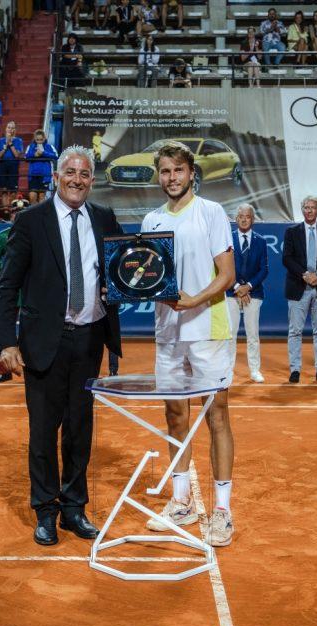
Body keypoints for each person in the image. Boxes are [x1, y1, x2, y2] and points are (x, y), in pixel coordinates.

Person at [0, 145, 123, 547]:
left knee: (80, 431)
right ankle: (45, 510)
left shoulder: (104, 218)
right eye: (70, 171)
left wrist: (114, 288)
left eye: (85, 174)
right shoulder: (31, 221)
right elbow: (8, 285)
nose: (77, 180)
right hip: (43, 343)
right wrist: (6, 342)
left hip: (89, 339)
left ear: (92, 180)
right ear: (56, 175)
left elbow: (118, 275)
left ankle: (73, 508)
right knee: (43, 433)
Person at [139, 141, 237, 546]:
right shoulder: (151, 220)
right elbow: (146, 275)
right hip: (168, 330)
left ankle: (222, 511)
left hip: (209, 326)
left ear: (191, 172)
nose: (172, 178)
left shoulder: (211, 212)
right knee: (175, 416)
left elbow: (227, 275)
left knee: (216, 416)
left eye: (178, 170)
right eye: (165, 171)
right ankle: (181, 501)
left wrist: (194, 301)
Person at [282, 195, 317, 384]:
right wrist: (305, 274)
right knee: (295, 331)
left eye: (313, 207)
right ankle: (295, 369)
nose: (309, 210)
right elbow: (287, 258)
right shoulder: (291, 232)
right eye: (306, 207)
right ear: (302, 209)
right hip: (298, 286)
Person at [227, 203, 268, 383]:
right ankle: (228, 370)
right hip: (231, 292)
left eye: (248, 216)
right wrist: (237, 287)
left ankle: (254, 370)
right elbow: (224, 267)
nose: (244, 219)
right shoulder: (227, 239)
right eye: (241, 216)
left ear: (253, 219)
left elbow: (264, 269)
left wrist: (248, 287)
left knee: (252, 334)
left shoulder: (261, 241)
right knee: (230, 333)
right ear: (236, 219)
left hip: (254, 293)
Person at [0, 121, 23, 217]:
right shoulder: (1, 141)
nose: (10, 130)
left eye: (12, 128)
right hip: (3, 165)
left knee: (12, 190)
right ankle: (6, 211)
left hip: (13, 166)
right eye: (9, 127)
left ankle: (11, 209)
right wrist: (5, 146)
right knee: (3, 189)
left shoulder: (18, 141)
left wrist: (10, 144)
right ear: (5, 129)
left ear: (15, 130)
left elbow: (17, 155)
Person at [25, 129, 57, 205]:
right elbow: (26, 157)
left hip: (44, 176)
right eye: (37, 140)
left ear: (44, 138)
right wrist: (35, 154)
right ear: (35, 139)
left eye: (41, 140)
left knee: (42, 197)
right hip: (33, 176)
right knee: (32, 196)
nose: (39, 141)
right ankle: (34, 215)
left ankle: (41, 216)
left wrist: (43, 153)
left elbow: (55, 156)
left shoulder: (49, 147)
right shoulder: (31, 146)